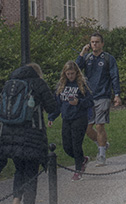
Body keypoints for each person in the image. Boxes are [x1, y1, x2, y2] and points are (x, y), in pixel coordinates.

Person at [0, 63, 58, 204]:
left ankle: (15, 200)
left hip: (9, 134)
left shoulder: (10, 83)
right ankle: (29, 202)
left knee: (19, 169)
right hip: (32, 135)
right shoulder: (38, 83)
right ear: (38, 73)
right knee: (31, 172)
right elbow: (52, 107)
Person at [77, 33, 121, 167]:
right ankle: (102, 144)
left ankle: (101, 155)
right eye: (92, 42)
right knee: (87, 127)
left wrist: (117, 94)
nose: (94, 44)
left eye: (96, 42)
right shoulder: (87, 58)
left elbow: (114, 76)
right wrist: (82, 53)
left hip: (103, 95)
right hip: (89, 97)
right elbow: (76, 69)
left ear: (102, 44)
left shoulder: (108, 58)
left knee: (99, 125)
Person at [47, 61, 93, 181]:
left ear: (76, 73)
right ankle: (82, 159)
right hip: (66, 118)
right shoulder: (62, 85)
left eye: (72, 73)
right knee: (67, 146)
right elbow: (57, 104)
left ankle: (78, 170)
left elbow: (90, 102)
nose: (70, 76)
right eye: (68, 74)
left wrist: (79, 102)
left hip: (79, 117)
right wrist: (51, 117)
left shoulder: (82, 84)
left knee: (76, 144)